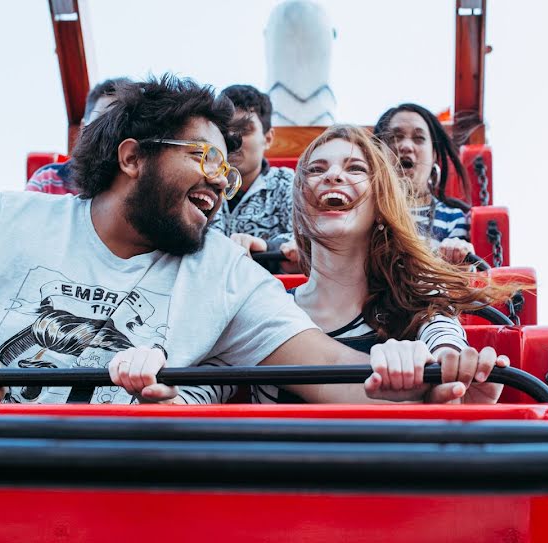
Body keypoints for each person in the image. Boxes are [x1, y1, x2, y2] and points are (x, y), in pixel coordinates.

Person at [0, 75, 483, 405]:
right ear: (132, 158)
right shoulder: (15, 218)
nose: (219, 181)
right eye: (202, 157)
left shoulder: (226, 272)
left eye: (227, 168)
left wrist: (425, 385)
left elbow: (330, 373)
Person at [248, 125, 515, 404]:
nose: (333, 175)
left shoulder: (417, 301)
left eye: (355, 168)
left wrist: (450, 373)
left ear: (379, 207)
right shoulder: (268, 307)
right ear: (300, 211)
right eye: (316, 169)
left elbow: (443, 337)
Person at [374, 103, 475, 265]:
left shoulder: (453, 219)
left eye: (419, 138)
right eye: (395, 137)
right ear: (378, 152)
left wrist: (461, 262)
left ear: (434, 155)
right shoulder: (364, 213)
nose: (406, 146)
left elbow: (458, 284)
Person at [211, 85, 297, 273]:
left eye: (245, 129)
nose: (233, 139)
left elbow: (305, 239)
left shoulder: (287, 183)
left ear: (268, 138)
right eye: (226, 130)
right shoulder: (201, 184)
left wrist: (267, 246)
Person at [25, 77, 132, 195]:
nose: (108, 132)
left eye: (119, 124)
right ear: (82, 127)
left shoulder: (138, 187)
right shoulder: (47, 182)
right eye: (100, 122)